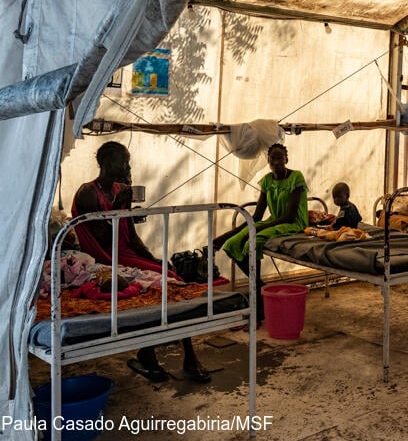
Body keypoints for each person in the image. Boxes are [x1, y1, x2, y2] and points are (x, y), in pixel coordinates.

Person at [72, 141, 211, 384]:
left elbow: (131, 237)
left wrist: (152, 258)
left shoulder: (120, 190)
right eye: (122, 161)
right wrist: (117, 206)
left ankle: (184, 355)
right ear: (105, 163)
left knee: (175, 279)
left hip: (125, 252)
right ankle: (155, 353)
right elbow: (103, 236)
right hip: (105, 256)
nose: (127, 166)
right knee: (161, 286)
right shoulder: (87, 193)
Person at [215, 143, 309, 320]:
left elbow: (289, 216)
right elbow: (257, 215)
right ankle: (259, 286)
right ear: (268, 160)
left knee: (253, 240)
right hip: (274, 222)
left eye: (280, 158)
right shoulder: (266, 181)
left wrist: (257, 228)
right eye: (273, 158)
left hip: (293, 223)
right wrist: (225, 236)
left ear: (286, 159)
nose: (276, 162)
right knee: (231, 244)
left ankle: (258, 297)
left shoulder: (296, 178)